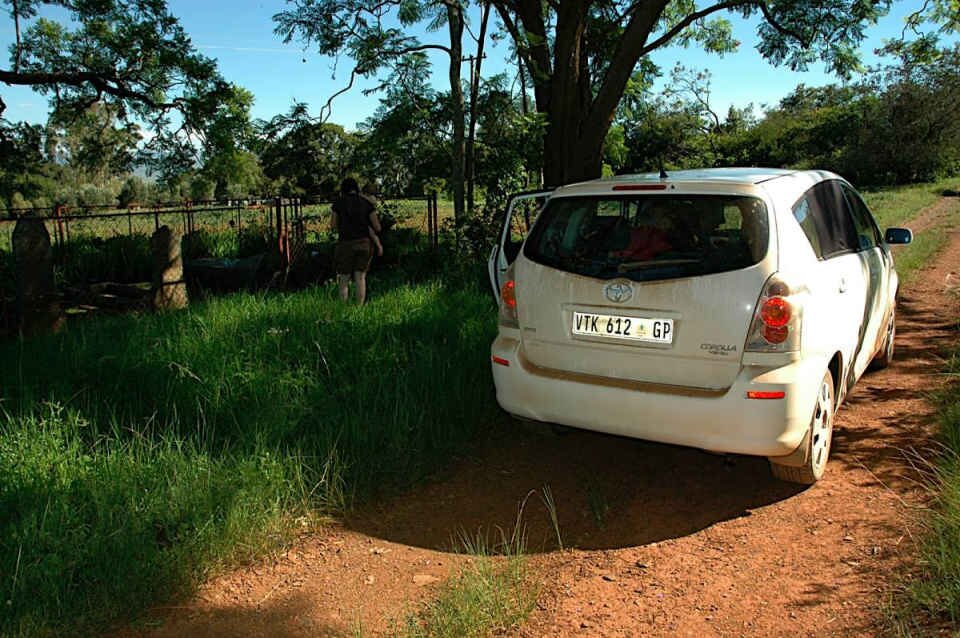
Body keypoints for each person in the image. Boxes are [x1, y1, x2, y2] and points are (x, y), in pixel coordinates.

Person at [332, 177, 383, 304]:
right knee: (360, 277)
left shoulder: (338, 203)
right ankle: (359, 308)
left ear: (343, 189)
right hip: (364, 243)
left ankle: (342, 308)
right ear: (356, 188)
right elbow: (377, 227)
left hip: (345, 243)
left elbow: (333, 225)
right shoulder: (366, 203)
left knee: (344, 278)